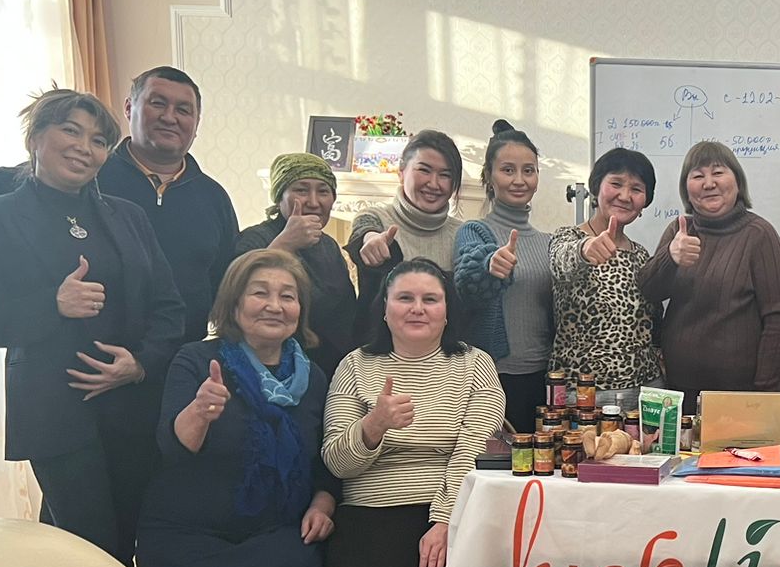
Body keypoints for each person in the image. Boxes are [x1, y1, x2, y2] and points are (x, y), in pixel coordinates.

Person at [0, 87, 185, 565]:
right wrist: (54, 304)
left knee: (112, 542)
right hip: (55, 413)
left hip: (131, 406)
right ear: (35, 138)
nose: (85, 147)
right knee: (96, 549)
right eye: (71, 131)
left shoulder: (129, 216)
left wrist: (140, 363)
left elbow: (170, 307)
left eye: (99, 140)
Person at [137, 250, 337, 567]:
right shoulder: (197, 360)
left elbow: (324, 460)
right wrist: (199, 412)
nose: (274, 305)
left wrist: (323, 504)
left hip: (275, 526)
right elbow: (173, 447)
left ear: (301, 309)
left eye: (287, 296)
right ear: (233, 302)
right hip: (190, 531)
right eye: (260, 293)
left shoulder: (314, 376)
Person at [321, 259, 505, 567]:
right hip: (370, 506)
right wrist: (374, 425)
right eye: (405, 298)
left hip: (451, 503)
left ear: (447, 310)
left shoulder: (475, 365)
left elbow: (470, 451)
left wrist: (443, 521)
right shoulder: (356, 366)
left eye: (430, 299)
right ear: (384, 309)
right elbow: (337, 462)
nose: (417, 308)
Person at [0, 66, 237, 345]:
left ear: (196, 123)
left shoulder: (214, 198)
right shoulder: (79, 170)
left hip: (182, 360)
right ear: (129, 108)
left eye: (183, 110)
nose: (169, 117)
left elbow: (228, 285)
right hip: (83, 359)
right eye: (157, 103)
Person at [636, 140, 780, 407]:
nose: (709, 183)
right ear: (686, 189)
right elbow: (650, 291)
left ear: (738, 182)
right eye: (698, 176)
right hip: (679, 390)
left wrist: (764, 394)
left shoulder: (759, 235)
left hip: (741, 395)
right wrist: (671, 257)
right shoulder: (680, 230)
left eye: (718, 172)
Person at [454, 120, 552, 430]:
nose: (519, 180)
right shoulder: (474, 232)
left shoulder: (549, 242)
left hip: (546, 379)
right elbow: (467, 279)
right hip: (493, 377)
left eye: (528, 170)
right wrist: (489, 265)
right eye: (508, 170)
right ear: (489, 176)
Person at [548, 147, 664, 393]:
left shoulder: (641, 255)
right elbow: (561, 261)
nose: (625, 196)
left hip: (644, 389)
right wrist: (585, 249)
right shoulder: (568, 238)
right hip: (584, 393)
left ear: (645, 201)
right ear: (596, 187)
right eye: (616, 184)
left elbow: (654, 321)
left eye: (636, 189)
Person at [234, 152, 357, 376]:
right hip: (267, 366)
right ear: (279, 197)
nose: (313, 202)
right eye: (301, 190)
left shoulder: (329, 246)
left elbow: (346, 313)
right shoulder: (254, 239)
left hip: (329, 369)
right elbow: (234, 298)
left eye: (323, 192)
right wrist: (285, 244)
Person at [346, 129, 466, 342]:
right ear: (401, 172)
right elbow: (364, 231)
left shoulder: (463, 233)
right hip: (379, 352)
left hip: (445, 355)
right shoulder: (376, 217)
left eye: (445, 175)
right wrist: (371, 240)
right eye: (424, 170)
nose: (434, 184)